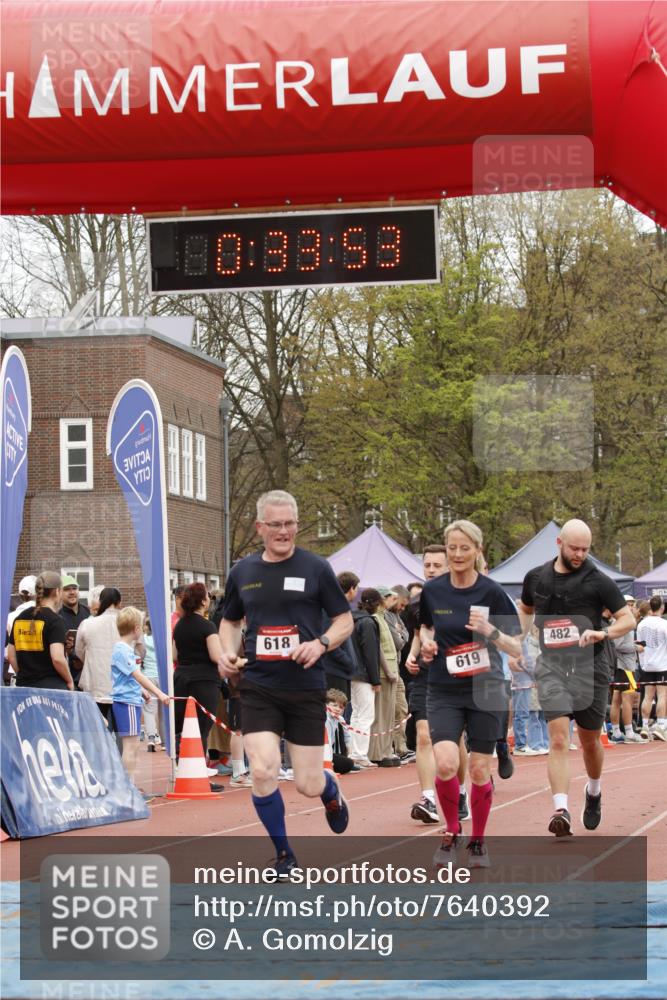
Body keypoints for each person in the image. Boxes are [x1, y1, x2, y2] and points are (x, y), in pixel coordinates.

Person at [218, 490, 353, 876]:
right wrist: (228, 652)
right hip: (259, 685)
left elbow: (343, 620)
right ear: (260, 527)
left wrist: (321, 643)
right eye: (275, 524)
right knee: (262, 769)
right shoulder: (243, 572)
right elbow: (229, 620)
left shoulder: (316, 567)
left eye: (290, 523)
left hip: (306, 686)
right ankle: (283, 854)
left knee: (307, 783)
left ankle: (329, 791)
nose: (283, 531)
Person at [518, 519, 635, 837]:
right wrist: (519, 643)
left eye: (585, 549)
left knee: (588, 741)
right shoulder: (536, 577)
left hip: (592, 666)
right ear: (559, 544)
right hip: (552, 665)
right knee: (558, 738)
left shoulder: (599, 581)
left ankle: (594, 791)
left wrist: (604, 632)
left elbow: (628, 618)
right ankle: (560, 808)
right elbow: (526, 609)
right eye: (574, 548)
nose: (581, 554)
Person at [420, 521, 521, 868]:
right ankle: (451, 832)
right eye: (452, 548)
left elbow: (516, 646)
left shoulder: (492, 592)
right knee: (447, 763)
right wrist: (427, 645)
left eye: (465, 548)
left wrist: (490, 631)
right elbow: (425, 627)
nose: (458, 555)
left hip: (486, 687)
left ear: (478, 551)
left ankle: (478, 840)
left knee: (479, 770)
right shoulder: (433, 591)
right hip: (444, 687)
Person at [405, 545, 471, 825]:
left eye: (436, 565)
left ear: (449, 566)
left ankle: (462, 790)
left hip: (455, 674)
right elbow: (420, 633)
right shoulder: (416, 604)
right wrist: (411, 653)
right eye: (427, 565)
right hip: (425, 674)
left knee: (452, 740)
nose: (430, 570)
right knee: (423, 735)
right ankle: (429, 798)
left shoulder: (466, 597)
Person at [111, 607, 170, 798]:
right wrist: (159, 693)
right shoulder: (122, 650)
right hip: (126, 701)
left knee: (133, 745)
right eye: (142, 627)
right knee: (131, 745)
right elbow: (136, 674)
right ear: (136, 629)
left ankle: (128, 786)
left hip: (130, 699)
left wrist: (143, 691)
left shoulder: (125, 649)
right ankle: (126, 788)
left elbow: (128, 677)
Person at [173, 582, 224, 761]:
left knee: (184, 728)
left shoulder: (179, 626)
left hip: (181, 679)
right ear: (203, 602)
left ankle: (183, 769)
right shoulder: (207, 626)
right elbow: (216, 656)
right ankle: (198, 775)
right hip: (204, 681)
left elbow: (174, 655)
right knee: (201, 729)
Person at [7, 572, 74, 690]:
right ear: (57, 591)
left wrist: (25, 676)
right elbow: (57, 658)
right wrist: (69, 681)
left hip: (24, 687)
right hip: (51, 689)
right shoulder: (55, 620)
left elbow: (11, 655)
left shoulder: (20, 618)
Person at [76, 587, 123, 728]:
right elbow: (140, 651)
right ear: (119, 602)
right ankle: (119, 751)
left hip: (95, 682)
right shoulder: (128, 622)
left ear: (101, 602)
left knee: (96, 726)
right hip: (122, 683)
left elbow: (78, 651)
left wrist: (91, 659)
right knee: (120, 728)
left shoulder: (87, 624)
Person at [347, 588, 382, 768]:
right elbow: (370, 653)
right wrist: (376, 680)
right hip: (364, 673)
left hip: (351, 672)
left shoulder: (351, 619)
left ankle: (354, 752)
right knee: (366, 714)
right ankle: (359, 754)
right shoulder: (367, 622)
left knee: (356, 713)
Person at [368, 589, 400, 766]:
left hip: (391, 669)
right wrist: (388, 671)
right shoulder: (374, 619)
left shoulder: (383, 618)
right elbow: (378, 648)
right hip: (385, 671)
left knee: (388, 714)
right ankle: (377, 752)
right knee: (380, 714)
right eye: (388, 597)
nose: (391, 601)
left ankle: (387, 750)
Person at [637, 595, 667, 741]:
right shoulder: (664, 624)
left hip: (647, 665)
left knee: (648, 696)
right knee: (662, 695)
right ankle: (661, 726)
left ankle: (644, 726)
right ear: (661, 607)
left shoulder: (641, 624)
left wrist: (643, 662)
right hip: (662, 665)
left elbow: (640, 645)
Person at [59, 574, 90, 687]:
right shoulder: (57, 616)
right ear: (59, 593)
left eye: (74, 588)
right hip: (67, 674)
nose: (72, 592)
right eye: (67, 589)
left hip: (88, 671)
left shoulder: (89, 613)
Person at [325, 688, 359, 773]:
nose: (337, 709)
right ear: (327, 705)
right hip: (321, 752)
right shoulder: (325, 718)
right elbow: (327, 741)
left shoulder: (340, 719)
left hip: (330, 752)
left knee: (348, 762)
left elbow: (347, 737)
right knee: (347, 764)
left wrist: (349, 754)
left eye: (341, 707)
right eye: (334, 705)